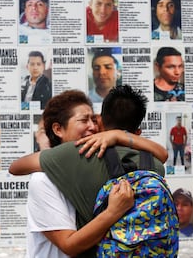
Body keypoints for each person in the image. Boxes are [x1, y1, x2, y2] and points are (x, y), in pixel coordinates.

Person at [10, 85, 168, 257]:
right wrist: (113, 212)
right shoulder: (43, 180)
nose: (92, 127)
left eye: (94, 120)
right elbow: (69, 245)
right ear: (58, 129)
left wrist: (117, 135)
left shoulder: (99, 166)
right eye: (84, 120)